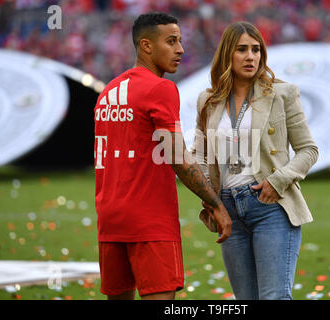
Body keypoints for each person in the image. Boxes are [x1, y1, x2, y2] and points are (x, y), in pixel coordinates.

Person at [94, 12, 231, 300]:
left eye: (180, 41)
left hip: (110, 219)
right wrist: (214, 202)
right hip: (149, 219)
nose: (180, 49)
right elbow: (177, 157)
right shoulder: (160, 88)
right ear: (146, 46)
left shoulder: (107, 92)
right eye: (171, 41)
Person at [192, 21, 318, 300]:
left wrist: (278, 181)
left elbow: (308, 150)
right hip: (227, 211)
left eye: (256, 49)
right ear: (227, 55)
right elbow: (199, 155)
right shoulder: (207, 100)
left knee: (273, 297)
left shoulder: (282, 93)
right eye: (242, 50)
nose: (251, 56)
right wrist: (209, 197)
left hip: (270, 207)